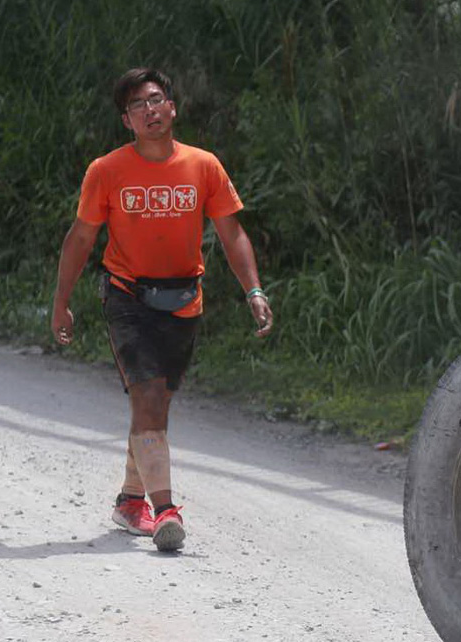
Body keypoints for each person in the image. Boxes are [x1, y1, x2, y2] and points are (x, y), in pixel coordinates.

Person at [51, 67, 274, 552]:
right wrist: (61, 303)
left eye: (155, 100)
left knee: (156, 405)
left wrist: (253, 291)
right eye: (137, 106)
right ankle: (165, 510)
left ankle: (130, 500)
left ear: (172, 107)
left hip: (183, 299)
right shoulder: (106, 171)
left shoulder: (203, 166)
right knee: (148, 396)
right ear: (126, 121)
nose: (149, 110)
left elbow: (232, 233)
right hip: (127, 296)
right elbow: (81, 238)